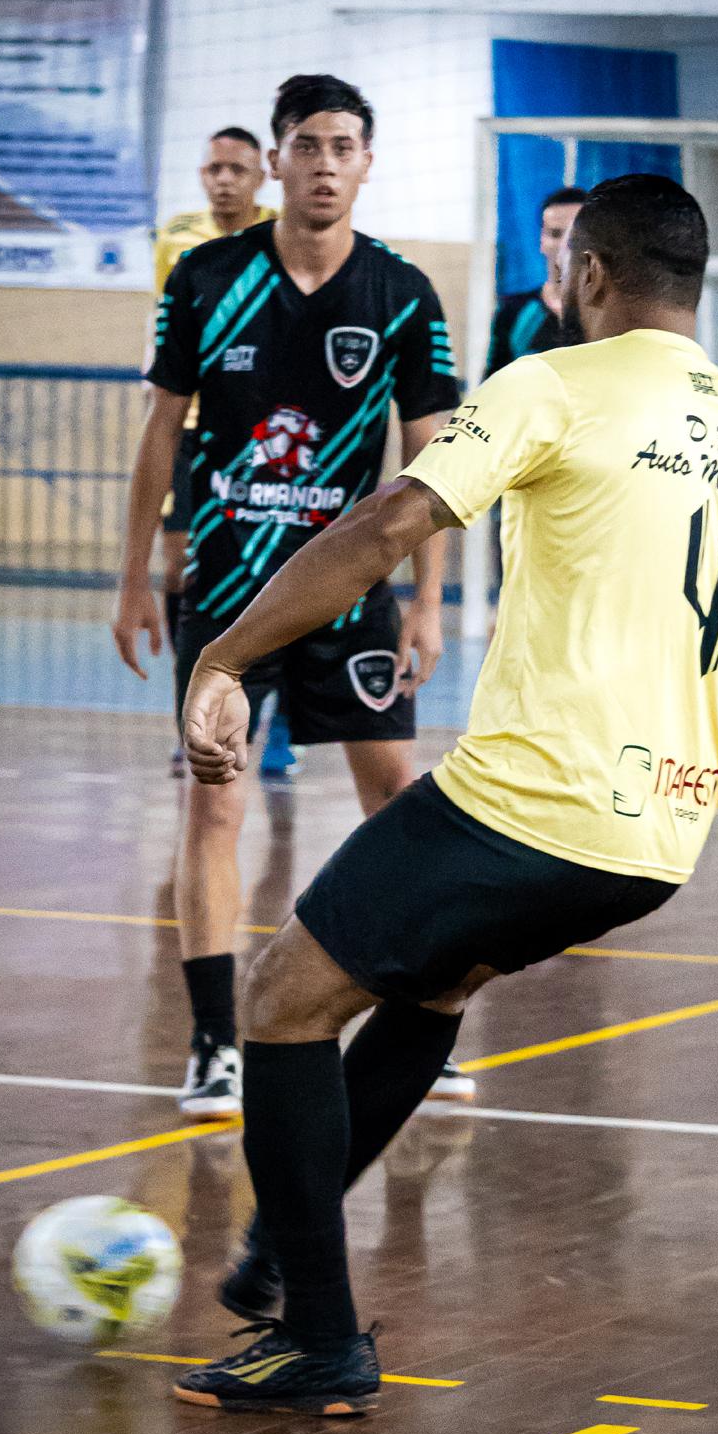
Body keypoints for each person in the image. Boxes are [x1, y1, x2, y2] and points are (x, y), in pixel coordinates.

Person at [170, 173, 718, 1418]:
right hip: (650, 846)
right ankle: (289, 1243)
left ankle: (317, 1334)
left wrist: (225, 656)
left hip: (526, 804)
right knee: (432, 980)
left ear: (587, 274)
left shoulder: (547, 382)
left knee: (277, 1001)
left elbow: (387, 524)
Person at [112, 73, 471, 1120]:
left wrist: (427, 600)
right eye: (304, 144)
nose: (322, 163)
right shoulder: (207, 277)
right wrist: (134, 575)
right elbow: (156, 435)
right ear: (274, 160)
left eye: (341, 146)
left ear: (366, 163)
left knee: (398, 800)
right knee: (213, 799)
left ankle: (417, 1015)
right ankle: (215, 1044)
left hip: (351, 588)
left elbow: (430, 456)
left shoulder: (399, 292)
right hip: (223, 596)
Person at [152, 128, 281, 778]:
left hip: (261, 434)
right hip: (191, 429)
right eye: (212, 168)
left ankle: (278, 721)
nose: (223, 179)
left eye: (236, 168)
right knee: (180, 570)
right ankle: (190, 717)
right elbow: (164, 330)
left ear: (261, 173)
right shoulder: (176, 236)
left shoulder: (284, 233)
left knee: (276, 575)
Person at [484, 187, 587, 375]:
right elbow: (492, 386)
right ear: (542, 241)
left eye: (576, 234)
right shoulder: (513, 312)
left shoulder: (611, 313)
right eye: (556, 234)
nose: (566, 244)